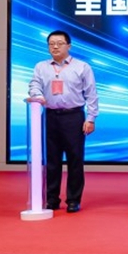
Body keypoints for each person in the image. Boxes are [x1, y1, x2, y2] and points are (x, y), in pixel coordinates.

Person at [27, 30, 99, 213]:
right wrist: (37, 95)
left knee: (75, 160)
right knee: (51, 160)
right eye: (51, 44)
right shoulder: (41, 67)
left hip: (73, 117)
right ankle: (52, 199)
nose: (55, 47)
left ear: (69, 46)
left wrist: (91, 118)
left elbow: (91, 94)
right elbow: (34, 84)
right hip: (49, 116)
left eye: (59, 43)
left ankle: (73, 200)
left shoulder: (82, 67)